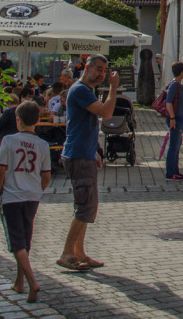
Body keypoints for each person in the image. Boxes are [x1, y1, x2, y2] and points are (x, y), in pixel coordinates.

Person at [57, 54, 119, 272]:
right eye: (98, 69)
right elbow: (107, 113)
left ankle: (79, 252)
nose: (102, 74)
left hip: (84, 154)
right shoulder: (81, 90)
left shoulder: (84, 90)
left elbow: (86, 125)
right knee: (84, 207)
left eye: (104, 70)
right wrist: (113, 88)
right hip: (79, 156)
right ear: (87, 67)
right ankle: (67, 253)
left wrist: (94, 151)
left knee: (87, 207)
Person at [0, 100, 51, 304]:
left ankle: (32, 282)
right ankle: (19, 282)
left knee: (16, 242)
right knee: (26, 239)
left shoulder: (9, 141)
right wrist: (38, 189)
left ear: (18, 120)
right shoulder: (43, 145)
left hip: (12, 196)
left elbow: (0, 170)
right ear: (37, 121)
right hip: (32, 196)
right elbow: (46, 175)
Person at [164, 62, 183, 181]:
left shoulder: (179, 85)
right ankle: (170, 173)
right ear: (180, 72)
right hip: (176, 119)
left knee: (177, 145)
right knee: (174, 146)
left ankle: (175, 170)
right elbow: (168, 102)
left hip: (180, 119)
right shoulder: (174, 85)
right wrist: (172, 118)